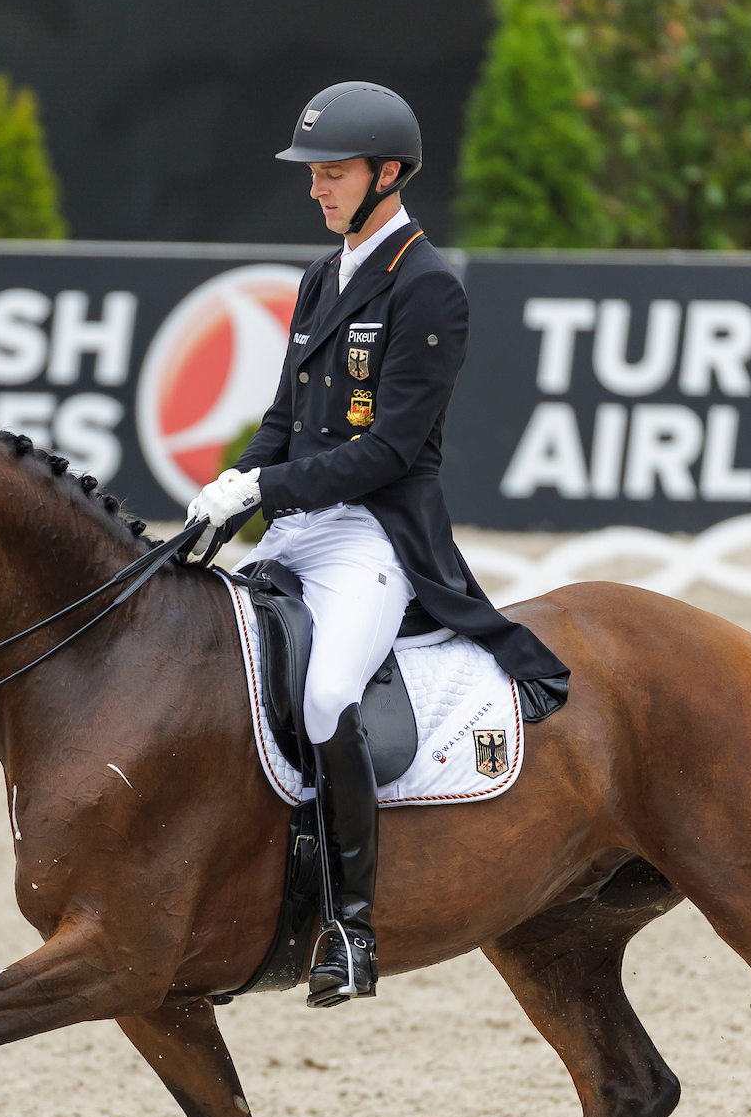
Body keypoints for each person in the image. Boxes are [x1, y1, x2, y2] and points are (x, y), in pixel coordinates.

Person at [184, 80, 572, 1008]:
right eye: (313, 174)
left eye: (334, 173)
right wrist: (232, 490)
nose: (317, 190)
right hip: (297, 527)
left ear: (387, 175)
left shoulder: (429, 285)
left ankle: (351, 930)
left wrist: (265, 487)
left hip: (374, 537)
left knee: (324, 694)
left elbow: (390, 450)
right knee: (209, 664)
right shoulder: (323, 277)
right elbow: (285, 417)